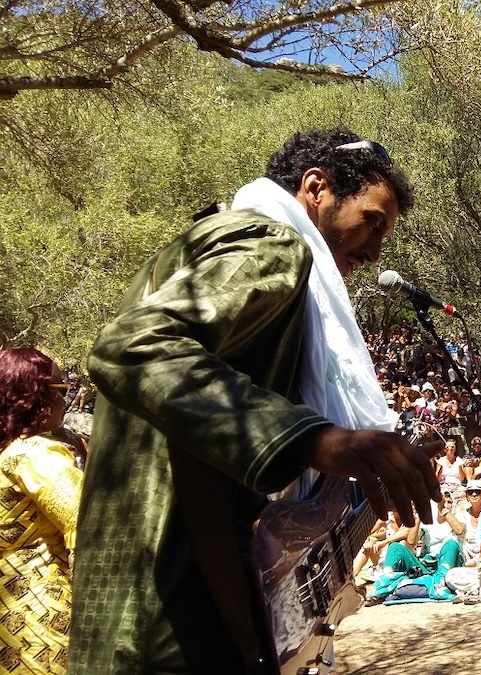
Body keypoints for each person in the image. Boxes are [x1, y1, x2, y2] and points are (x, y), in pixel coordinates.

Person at [70, 129, 444, 673]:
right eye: (372, 221)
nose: (375, 250)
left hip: (146, 603)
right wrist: (318, 439)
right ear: (316, 188)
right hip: (177, 620)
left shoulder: (209, 244)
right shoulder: (270, 244)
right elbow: (132, 347)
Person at [0, 348, 84, 674]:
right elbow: (85, 522)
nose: (67, 398)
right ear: (35, 395)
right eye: (61, 389)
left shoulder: (6, 454)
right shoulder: (34, 455)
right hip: (45, 616)